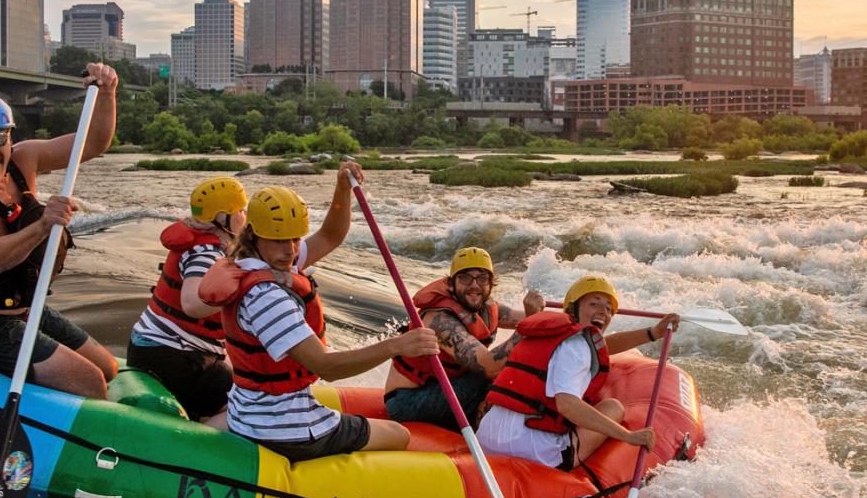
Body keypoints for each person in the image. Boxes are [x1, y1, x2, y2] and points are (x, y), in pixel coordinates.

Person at [197, 166, 439, 462]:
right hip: (288, 430)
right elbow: (326, 367)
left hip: (248, 413)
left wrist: (342, 188)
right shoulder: (267, 298)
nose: (290, 250)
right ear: (254, 235)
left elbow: (331, 235)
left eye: (296, 239)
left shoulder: (249, 264)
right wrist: (397, 346)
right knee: (398, 434)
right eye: (280, 240)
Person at [0, 66, 120, 398]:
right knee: (90, 382)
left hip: (23, 307)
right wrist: (45, 224)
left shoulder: (25, 159)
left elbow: (94, 143)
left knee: (108, 368)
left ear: (10, 137)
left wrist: (107, 94)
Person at [476, 274, 678, 470]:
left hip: (487, 439)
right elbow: (567, 405)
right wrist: (627, 435)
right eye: (594, 304)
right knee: (613, 407)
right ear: (574, 308)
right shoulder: (577, 346)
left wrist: (653, 333)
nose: (603, 312)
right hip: (533, 451)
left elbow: (603, 346)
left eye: (608, 309)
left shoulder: (543, 333)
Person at [125, 175, 249, 422]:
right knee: (246, 408)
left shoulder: (201, 241)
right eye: (241, 210)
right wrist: (235, 293)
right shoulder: (206, 253)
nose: (245, 216)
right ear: (224, 218)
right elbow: (191, 303)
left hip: (152, 348)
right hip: (174, 359)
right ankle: (209, 441)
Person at [382, 246, 545, 431]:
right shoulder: (439, 320)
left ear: (491, 284)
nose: (474, 285)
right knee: (495, 374)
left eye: (482, 278)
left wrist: (572, 318)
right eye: (465, 278)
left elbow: (527, 318)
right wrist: (529, 325)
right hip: (407, 402)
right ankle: (488, 435)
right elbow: (489, 366)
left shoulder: (486, 306)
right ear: (451, 284)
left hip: (449, 387)